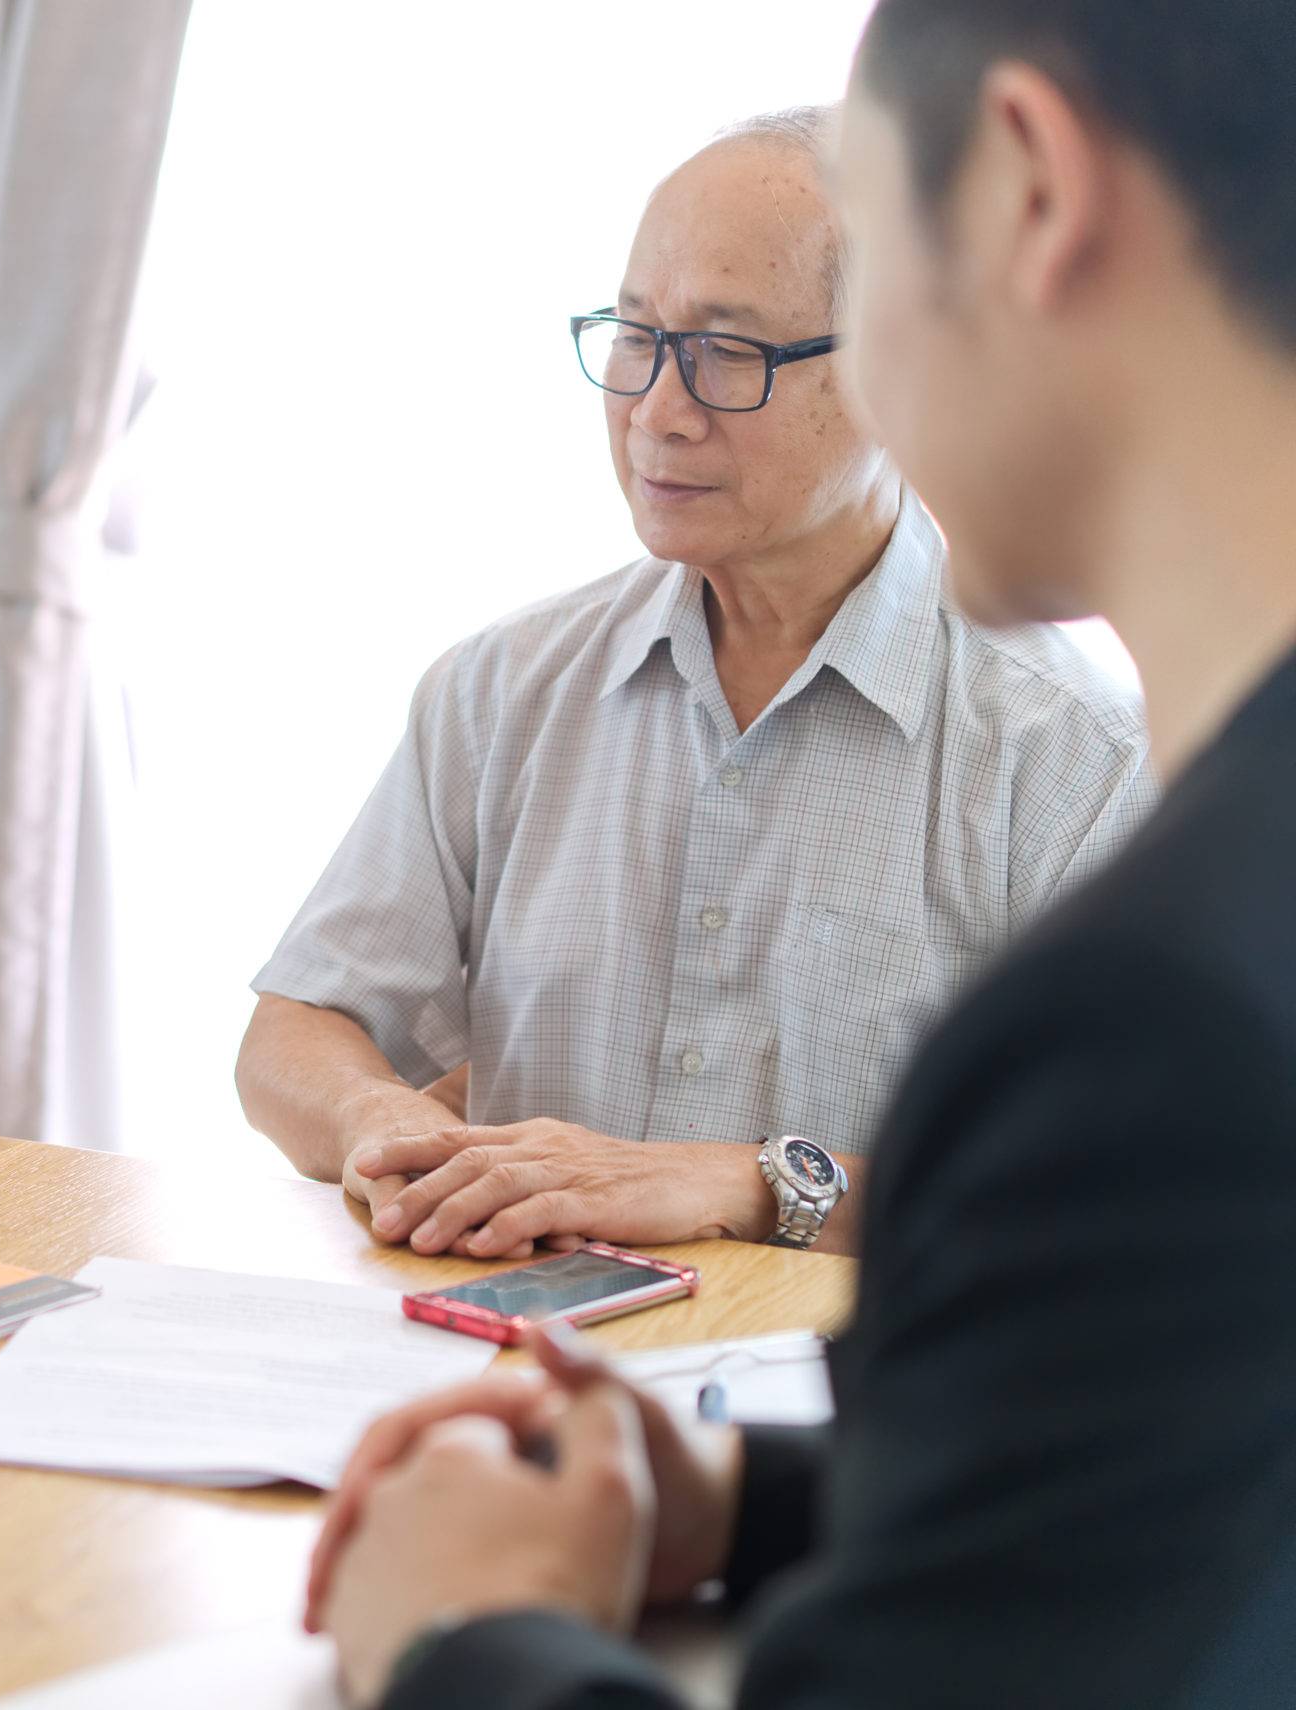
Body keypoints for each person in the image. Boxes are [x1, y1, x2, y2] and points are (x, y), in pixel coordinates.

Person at [309, 2, 1296, 1702]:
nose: (664, 406)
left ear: (1029, 201)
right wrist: (747, 1501)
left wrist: (467, 1637)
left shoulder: (1151, 1014)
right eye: (637, 333)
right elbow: (1163, 1476)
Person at [236, 108, 1152, 1267]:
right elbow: (293, 1033)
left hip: (842, 1416)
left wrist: (748, 1183)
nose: (656, 411)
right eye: (633, 336)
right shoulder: (500, 689)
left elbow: (1113, 1186)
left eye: (725, 354)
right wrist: (389, 1123)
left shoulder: (1072, 754)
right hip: (505, 1379)